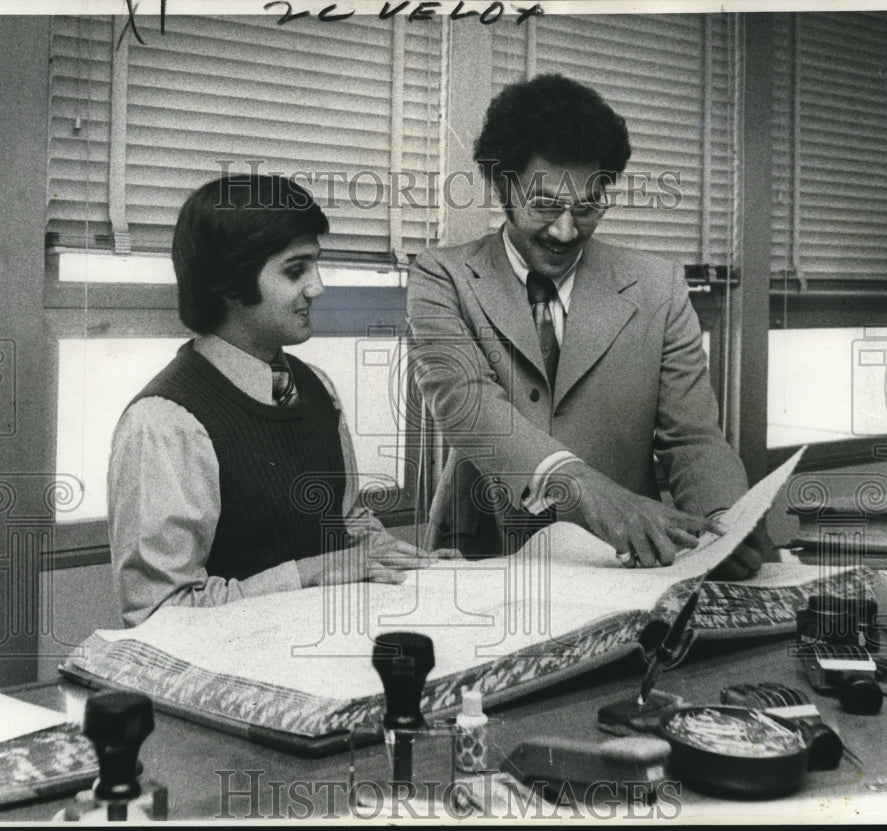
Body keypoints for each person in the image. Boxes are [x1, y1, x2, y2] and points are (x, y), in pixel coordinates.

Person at [406, 74, 771, 578]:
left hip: (626, 558)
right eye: (545, 205)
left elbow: (692, 437)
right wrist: (593, 495)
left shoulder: (657, 284)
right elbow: (469, 409)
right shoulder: (440, 275)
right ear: (501, 187)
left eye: (587, 207)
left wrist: (725, 520)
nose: (564, 230)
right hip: (484, 553)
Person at [110, 174, 442, 627]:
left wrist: (419, 567)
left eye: (315, 266)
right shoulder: (165, 423)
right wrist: (308, 573)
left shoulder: (317, 388)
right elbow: (160, 612)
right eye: (294, 270)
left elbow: (348, 525)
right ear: (228, 282)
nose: (317, 287)